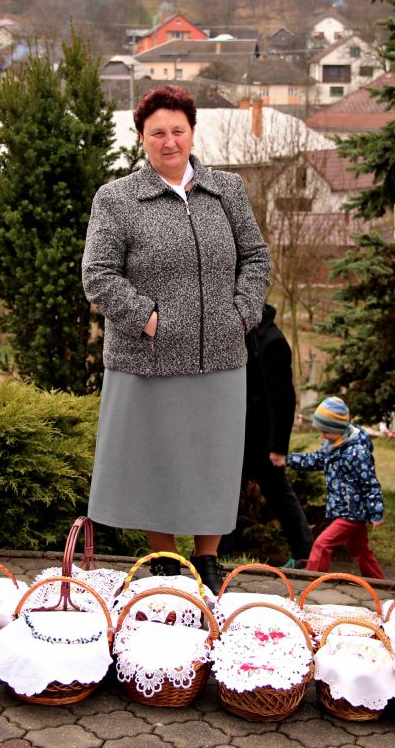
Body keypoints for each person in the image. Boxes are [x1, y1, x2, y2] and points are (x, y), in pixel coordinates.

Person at [82, 85, 270, 594]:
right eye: (157, 133)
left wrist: (242, 312)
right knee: (155, 460)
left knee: (214, 459)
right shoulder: (116, 198)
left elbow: (255, 256)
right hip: (148, 358)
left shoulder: (227, 190)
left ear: (192, 132)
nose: (169, 141)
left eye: (178, 130)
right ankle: (164, 558)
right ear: (142, 138)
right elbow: (98, 274)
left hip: (221, 355)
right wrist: (148, 320)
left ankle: (207, 559)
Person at [219, 304, 313, 567]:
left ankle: (305, 554)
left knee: (279, 495)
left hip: (263, 442)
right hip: (240, 436)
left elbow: (283, 399)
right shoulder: (247, 337)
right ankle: (219, 553)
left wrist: (279, 447)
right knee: (225, 492)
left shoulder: (273, 342)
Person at [285, 396, 385, 579]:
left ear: (338, 429)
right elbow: (314, 459)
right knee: (361, 551)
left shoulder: (357, 452)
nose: (323, 436)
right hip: (346, 512)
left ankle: (311, 582)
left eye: (326, 432)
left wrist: (376, 512)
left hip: (351, 514)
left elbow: (370, 484)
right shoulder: (333, 446)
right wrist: (287, 460)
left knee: (322, 544)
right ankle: (380, 584)